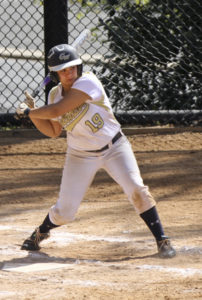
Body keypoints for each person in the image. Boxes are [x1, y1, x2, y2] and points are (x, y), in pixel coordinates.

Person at [16, 44, 176, 258]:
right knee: (65, 211)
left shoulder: (88, 82)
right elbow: (53, 130)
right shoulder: (54, 95)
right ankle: (40, 233)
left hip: (115, 147)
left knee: (137, 189)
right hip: (80, 155)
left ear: (79, 67)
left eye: (72, 67)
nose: (69, 73)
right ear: (55, 74)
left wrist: (29, 112)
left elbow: (58, 110)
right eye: (63, 70)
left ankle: (162, 240)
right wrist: (35, 115)